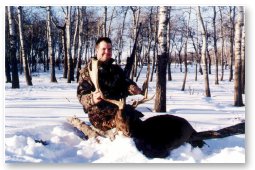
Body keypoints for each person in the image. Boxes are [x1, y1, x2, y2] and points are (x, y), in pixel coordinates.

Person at [77, 37, 143, 135]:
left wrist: (132, 88)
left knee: (139, 123)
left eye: (109, 49)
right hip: (99, 115)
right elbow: (81, 96)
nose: (107, 52)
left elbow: (125, 83)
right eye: (104, 49)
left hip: (118, 110)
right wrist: (92, 99)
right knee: (128, 128)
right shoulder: (87, 71)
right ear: (97, 50)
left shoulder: (116, 69)